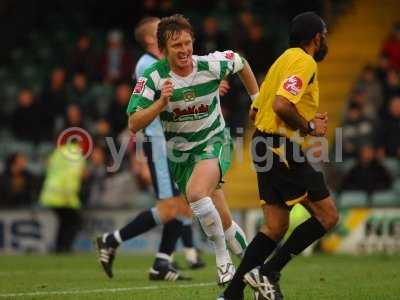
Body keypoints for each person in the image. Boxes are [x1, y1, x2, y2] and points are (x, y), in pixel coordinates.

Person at [126, 14, 259, 285]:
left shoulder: (209, 64)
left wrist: (256, 99)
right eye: (177, 46)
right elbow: (133, 122)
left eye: (188, 43)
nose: (185, 50)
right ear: (163, 50)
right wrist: (160, 103)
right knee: (225, 222)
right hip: (181, 157)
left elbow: (240, 63)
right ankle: (256, 271)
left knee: (198, 195)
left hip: (214, 142)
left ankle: (223, 264)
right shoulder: (152, 77)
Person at [95, 17, 229, 282]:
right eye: (162, 30)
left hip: (175, 144)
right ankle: (112, 240)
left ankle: (161, 262)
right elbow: (142, 110)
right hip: (158, 144)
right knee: (171, 208)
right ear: (151, 39)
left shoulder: (169, 64)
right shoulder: (148, 66)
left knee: (186, 204)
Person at [220, 12, 339, 300]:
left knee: (275, 226)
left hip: (263, 144)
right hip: (279, 146)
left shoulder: (282, 60)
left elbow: (254, 110)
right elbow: (281, 104)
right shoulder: (304, 61)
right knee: (327, 216)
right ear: (317, 37)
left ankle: (233, 293)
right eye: (323, 37)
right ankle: (267, 273)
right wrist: (310, 126)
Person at [39, 141, 86, 253]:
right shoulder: (76, 154)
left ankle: (59, 247)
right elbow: (72, 175)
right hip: (63, 195)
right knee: (73, 221)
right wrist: (70, 197)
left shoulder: (59, 152)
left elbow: (49, 168)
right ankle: (64, 247)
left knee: (65, 221)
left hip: (50, 193)